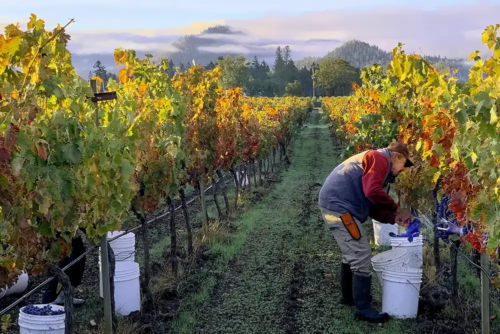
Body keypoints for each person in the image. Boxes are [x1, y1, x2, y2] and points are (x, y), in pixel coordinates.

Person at [318, 142, 414, 323]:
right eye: (405, 164)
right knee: (360, 253)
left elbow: (372, 205)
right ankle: (363, 309)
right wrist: (397, 208)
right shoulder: (378, 159)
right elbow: (372, 192)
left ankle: (350, 298)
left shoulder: (381, 168)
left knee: (352, 252)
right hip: (338, 207)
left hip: (339, 205)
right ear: (396, 157)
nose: (404, 170)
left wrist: (394, 217)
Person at [42, 233, 86, 305]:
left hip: (71, 229)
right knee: (65, 262)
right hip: (56, 229)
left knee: (80, 255)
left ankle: (65, 294)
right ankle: (49, 300)